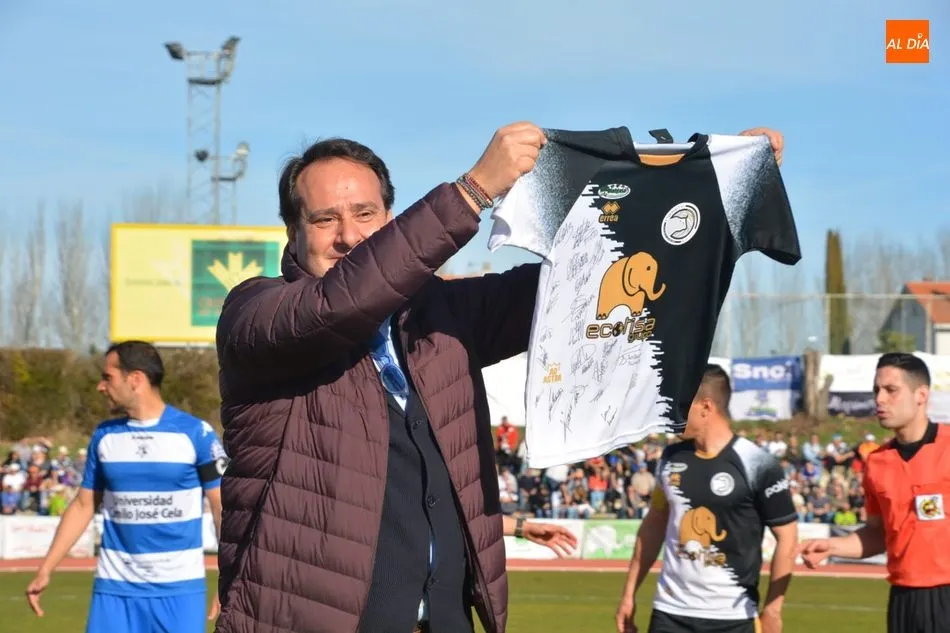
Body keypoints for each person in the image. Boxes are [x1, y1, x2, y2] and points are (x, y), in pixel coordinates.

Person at [213, 122, 786, 633]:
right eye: (325, 219)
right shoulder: (257, 315)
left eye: (365, 214)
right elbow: (340, 304)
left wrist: (710, 186)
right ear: (292, 232)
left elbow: (579, 283)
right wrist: (471, 192)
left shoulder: (437, 314)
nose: (349, 235)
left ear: (389, 219)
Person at [25, 341, 227, 633]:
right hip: (114, 591)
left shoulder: (197, 434)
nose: (100, 386)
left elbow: (222, 509)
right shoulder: (104, 436)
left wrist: (228, 576)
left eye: (108, 377)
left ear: (135, 379)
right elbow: (83, 506)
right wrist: (46, 568)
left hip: (180, 591)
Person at [615, 364, 798, 633]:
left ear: (706, 407)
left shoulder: (759, 464)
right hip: (670, 614)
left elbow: (788, 538)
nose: (670, 413)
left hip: (734, 617)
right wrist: (629, 593)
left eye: (679, 405)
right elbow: (654, 525)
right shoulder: (670, 458)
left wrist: (773, 608)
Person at [800, 352, 949, 633]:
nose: (880, 399)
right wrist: (832, 546)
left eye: (891, 390)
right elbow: (878, 533)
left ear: (921, 395)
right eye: (876, 390)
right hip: (903, 599)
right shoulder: (877, 463)